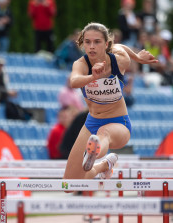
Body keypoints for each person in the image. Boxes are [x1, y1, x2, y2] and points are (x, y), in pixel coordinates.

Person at [63, 22, 158, 181]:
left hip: (119, 123)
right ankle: (103, 165)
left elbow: (121, 47)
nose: (92, 46)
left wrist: (137, 58)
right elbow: (74, 81)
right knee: (69, 183)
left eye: (97, 42)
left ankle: (93, 153)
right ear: (83, 43)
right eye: (87, 42)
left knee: (103, 134)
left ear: (106, 44)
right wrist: (93, 77)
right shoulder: (80, 64)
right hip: (92, 123)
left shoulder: (119, 61)